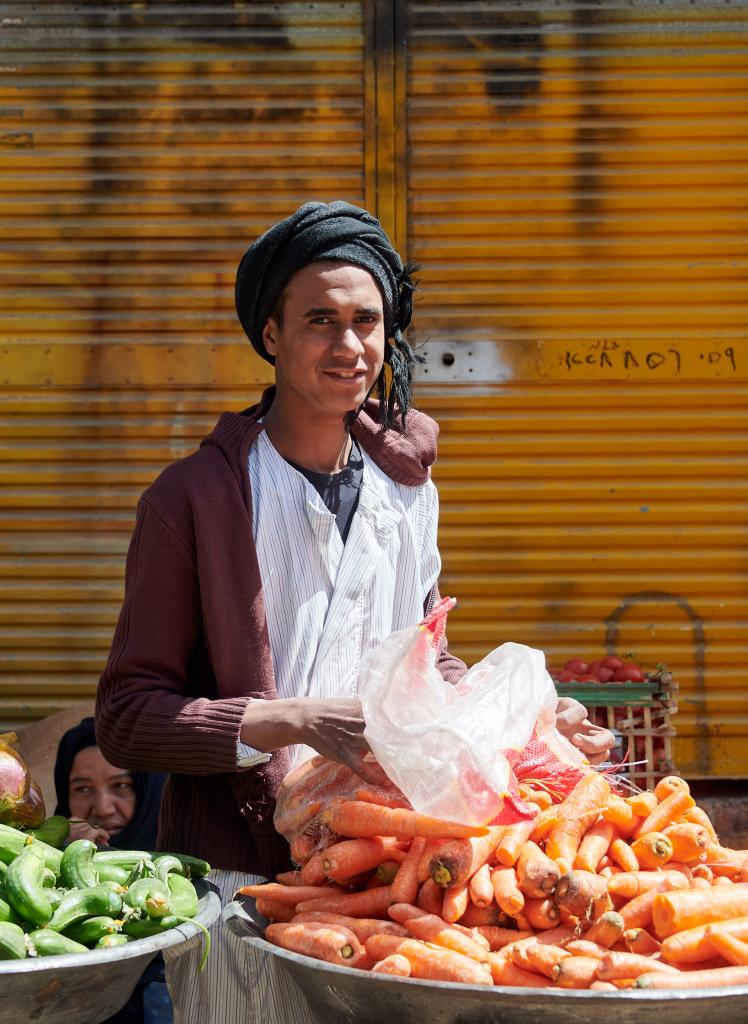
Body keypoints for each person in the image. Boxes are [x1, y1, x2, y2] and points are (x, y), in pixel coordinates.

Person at [95, 201, 613, 1023]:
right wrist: (290, 718)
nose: (349, 347)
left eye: (366, 321)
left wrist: (526, 730)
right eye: (320, 321)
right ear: (270, 335)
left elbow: (423, 666)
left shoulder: (407, 490)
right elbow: (126, 717)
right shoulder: (194, 501)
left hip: (390, 883)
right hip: (245, 885)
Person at [54, 717, 171, 1024]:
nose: (103, 807)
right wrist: (61, 852)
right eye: (82, 789)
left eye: (121, 786)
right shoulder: (43, 862)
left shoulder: (178, 869)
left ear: (149, 790)